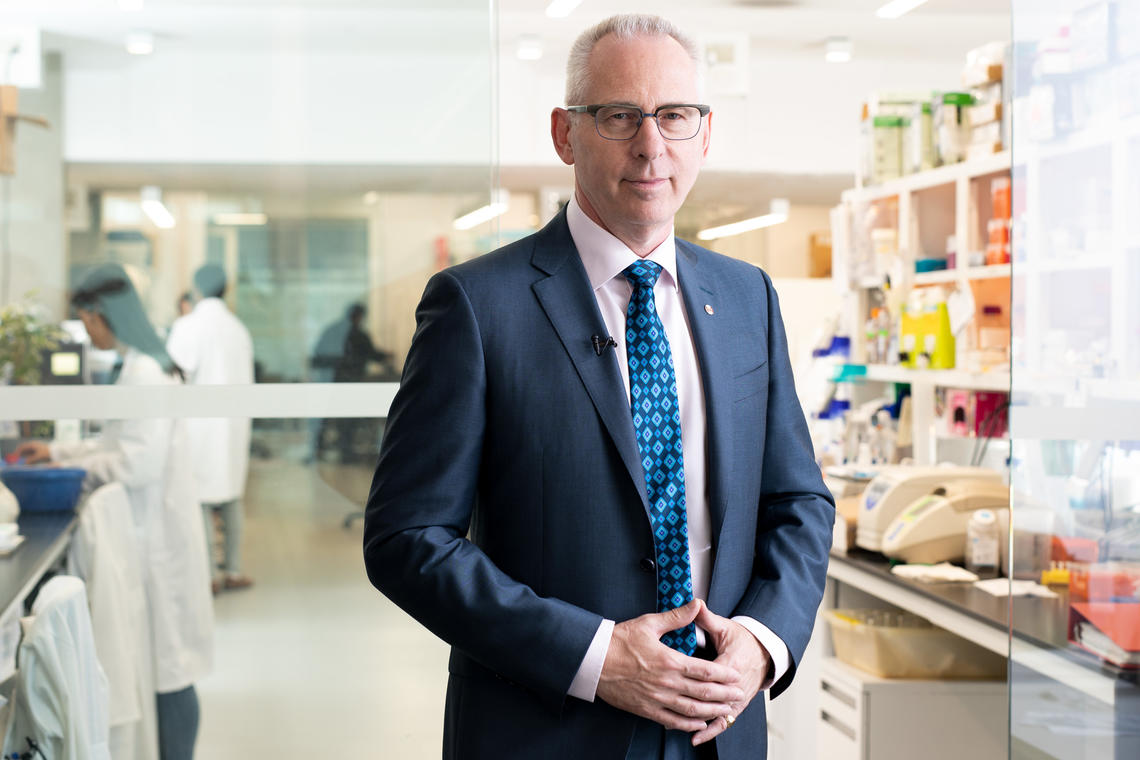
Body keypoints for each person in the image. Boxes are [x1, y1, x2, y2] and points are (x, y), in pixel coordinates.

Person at [363, 14, 834, 760]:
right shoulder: (479, 306)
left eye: (675, 116)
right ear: (565, 134)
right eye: (620, 116)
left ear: (704, 135)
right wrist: (596, 657)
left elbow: (798, 501)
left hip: (719, 726)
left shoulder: (748, 298)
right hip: (546, 729)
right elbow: (405, 539)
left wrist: (762, 641)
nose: (652, 146)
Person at [15, 263, 213, 760]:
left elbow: (136, 464)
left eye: (88, 321)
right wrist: (60, 455)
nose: (88, 333)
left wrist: (76, 465)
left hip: (157, 541)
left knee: (171, 668)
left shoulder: (145, 370)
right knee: (165, 665)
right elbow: (115, 444)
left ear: (105, 315)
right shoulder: (140, 362)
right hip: (149, 534)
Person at [167, 264, 255, 594]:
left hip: (200, 426)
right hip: (233, 425)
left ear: (196, 288)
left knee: (200, 499)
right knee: (231, 496)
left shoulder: (188, 326)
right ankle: (233, 570)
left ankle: (207, 577)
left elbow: (175, 374)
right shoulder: (238, 329)